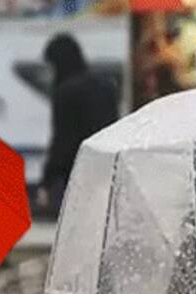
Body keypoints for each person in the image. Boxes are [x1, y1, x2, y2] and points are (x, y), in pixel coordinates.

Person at [38, 33, 119, 213]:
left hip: (79, 173)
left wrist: (47, 180)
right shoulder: (105, 86)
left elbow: (62, 141)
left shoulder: (65, 92)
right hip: (108, 168)